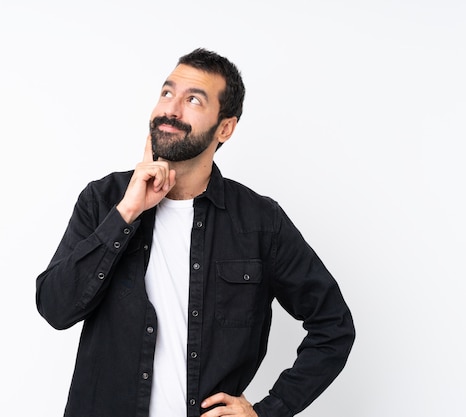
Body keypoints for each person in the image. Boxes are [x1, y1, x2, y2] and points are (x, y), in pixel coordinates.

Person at [36, 48, 355, 417]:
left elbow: (334, 326)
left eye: (193, 100)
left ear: (225, 128)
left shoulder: (259, 222)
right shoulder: (105, 199)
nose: (171, 109)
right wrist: (127, 214)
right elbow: (55, 308)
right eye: (167, 93)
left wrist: (270, 410)